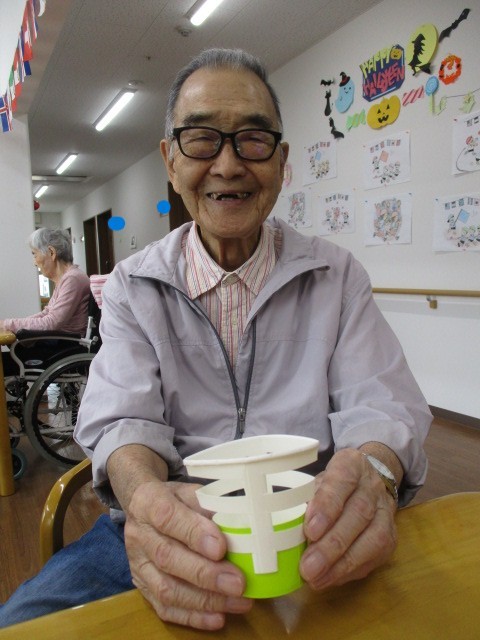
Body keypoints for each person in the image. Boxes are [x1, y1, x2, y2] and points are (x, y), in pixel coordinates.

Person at [0, 48, 432, 630]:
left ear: (281, 161)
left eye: (253, 140)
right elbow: (122, 419)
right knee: (25, 622)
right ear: (171, 161)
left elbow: (382, 404)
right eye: (202, 139)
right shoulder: (132, 285)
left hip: (309, 522)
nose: (228, 165)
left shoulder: (336, 275)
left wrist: (374, 473)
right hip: (177, 518)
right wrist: (145, 500)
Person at [0, 228, 91, 376]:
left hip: (63, 346)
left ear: (51, 252)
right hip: (57, 343)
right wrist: (10, 324)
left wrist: (8, 324)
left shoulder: (73, 279)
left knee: (5, 363)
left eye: (34, 254)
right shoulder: (67, 278)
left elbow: (51, 322)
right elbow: (46, 313)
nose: (34, 262)